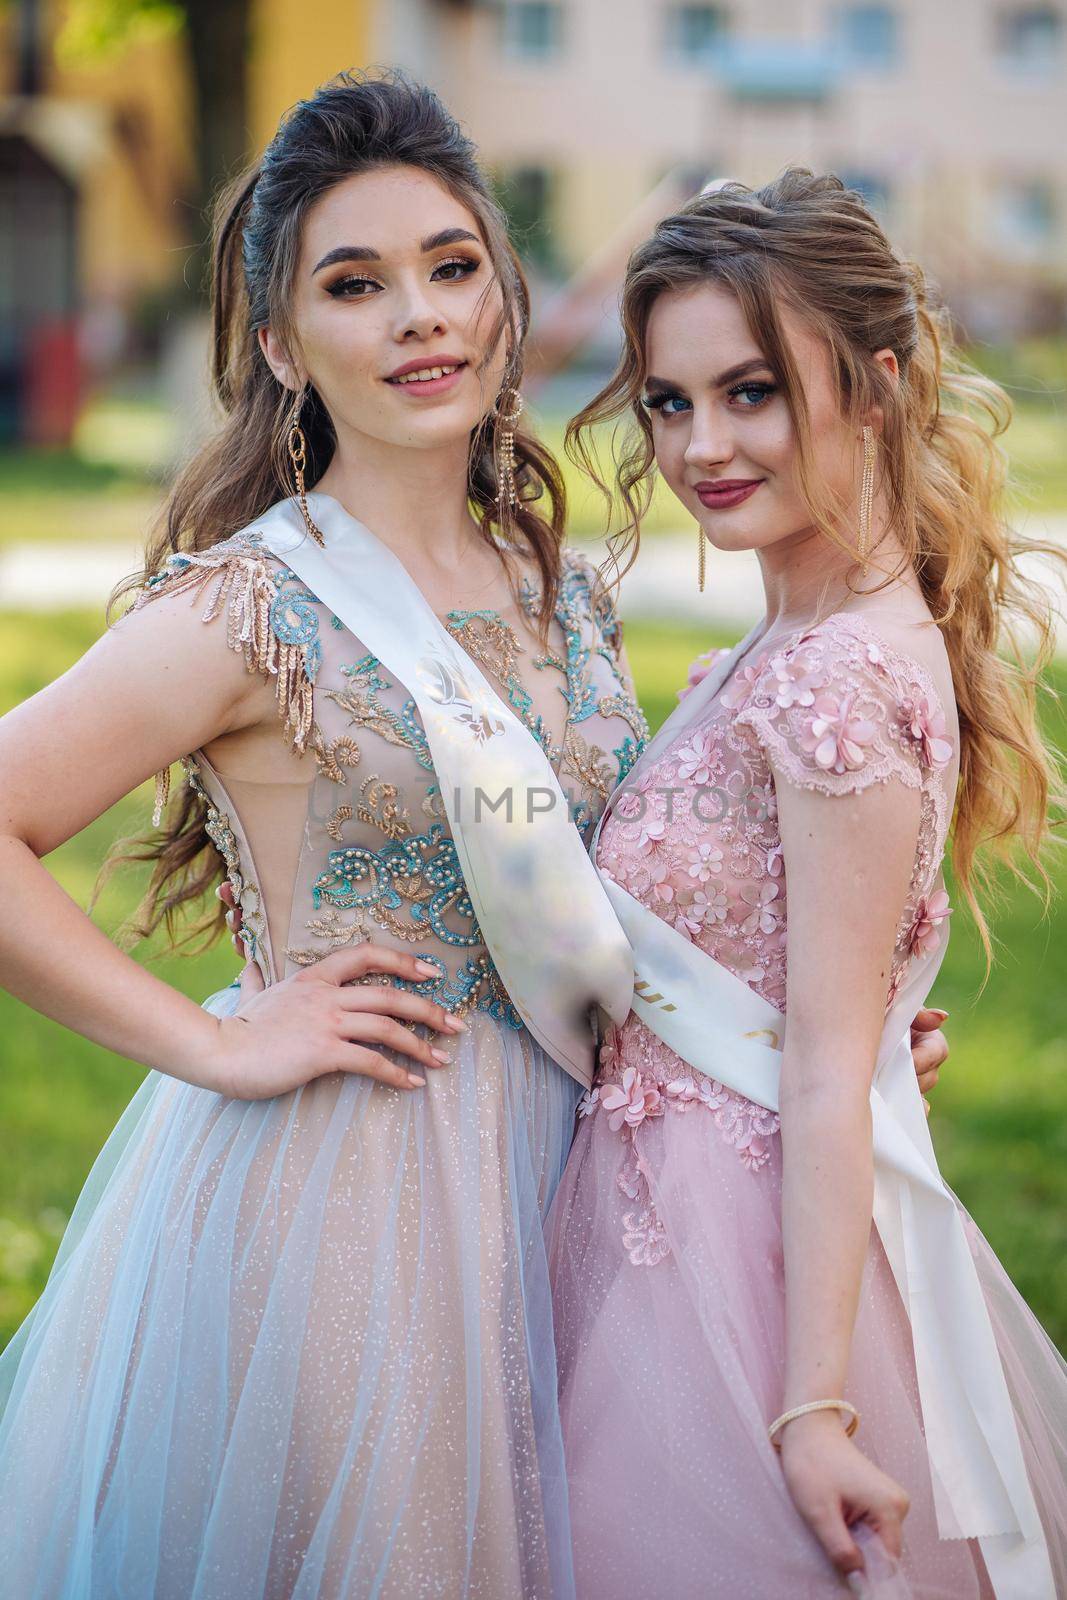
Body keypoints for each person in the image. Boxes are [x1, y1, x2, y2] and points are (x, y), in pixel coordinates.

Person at [0, 74, 947, 1596]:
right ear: (277, 345)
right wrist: (217, 1040)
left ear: (504, 296)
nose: (419, 318)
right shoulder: (252, 605)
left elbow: (605, 891)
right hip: (352, 1206)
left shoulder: (552, 580)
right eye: (354, 286)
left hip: (576, 1192)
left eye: (450, 268)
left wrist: (780, 1023)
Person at [547, 170, 1067, 1599]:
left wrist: (814, 1409)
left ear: (878, 385)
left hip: (735, 1255)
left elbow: (835, 1067)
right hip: (672, 1186)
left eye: (754, 392)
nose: (700, 444)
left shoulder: (841, 673)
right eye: (667, 400)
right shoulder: (795, 630)